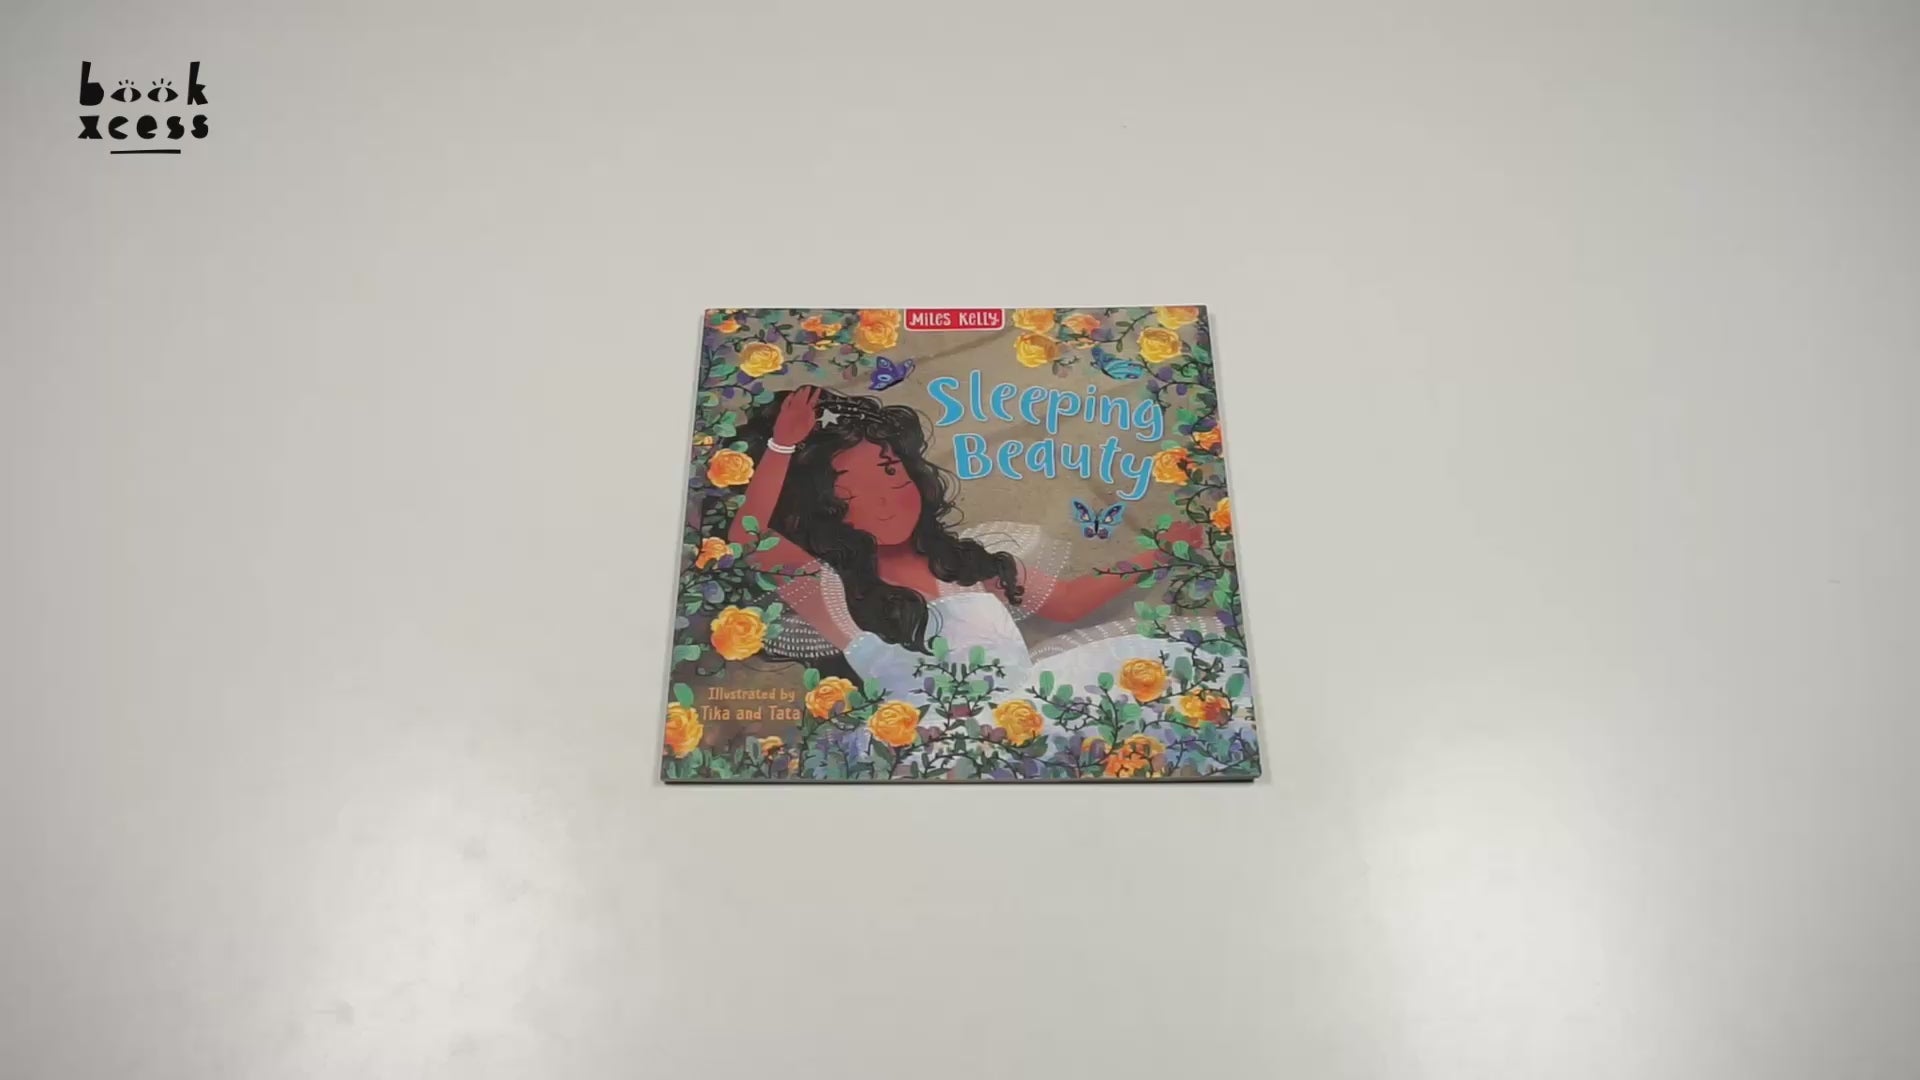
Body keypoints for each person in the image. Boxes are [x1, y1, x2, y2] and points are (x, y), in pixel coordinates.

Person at [728, 386, 1244, 727]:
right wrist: (781, 447)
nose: (886, 498)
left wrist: (1160, 551)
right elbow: (746, 538)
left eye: (889, 471)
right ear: (820, 510)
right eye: (850, 489)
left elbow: (1068, 602)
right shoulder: (828, 590)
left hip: (1037, 712)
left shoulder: (967, 563)